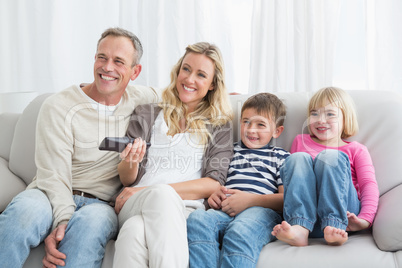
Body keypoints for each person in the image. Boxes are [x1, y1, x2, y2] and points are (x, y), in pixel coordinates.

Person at [0, 27, 159, 267]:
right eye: (102, 57)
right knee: (21, 217)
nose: (107, 67)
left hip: (101, 205)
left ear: (135, 72)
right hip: (47, 193)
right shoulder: (59, 106)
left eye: (119, 62)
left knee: (90, 230)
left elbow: (180, 94)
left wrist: (221, 94)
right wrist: (61, 222)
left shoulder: (139, 98)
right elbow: (53, 175)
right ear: (94, 59)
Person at [111, 42, 233, 268]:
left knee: (133, 231)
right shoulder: (146, 113)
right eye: (186, 69)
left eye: (201, 75)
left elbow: (213, 183)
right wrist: (130, 162)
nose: (189, 79)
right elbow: (127, 180)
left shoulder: (219, 125)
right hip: (135, 202)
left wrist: (148, 190)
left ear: (212, 85)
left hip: (184, 209)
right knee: (160, 197)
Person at [186, 92, 289, 268]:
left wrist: (249, 201)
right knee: (197, 220)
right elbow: (215, 181)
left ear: (277, 131)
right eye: (246, 121)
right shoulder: (228, 151)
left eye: (260, 124)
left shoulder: (281, 157)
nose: (251, 129)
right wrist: (214, 197)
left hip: (260, 212)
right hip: (224, 211)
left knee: (239, 231)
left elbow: (286, 200)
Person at [271, 87, 379, 246]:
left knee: (330, 156)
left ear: (345, 118)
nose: (320, 120)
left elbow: (368, 185)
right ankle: (300, 229)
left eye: (330, 114)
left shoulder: (356, 149)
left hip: (345, 218)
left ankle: (333, 225)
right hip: (309, 220)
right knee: (297, 159)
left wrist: (364, 220)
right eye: (314, 113)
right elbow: (294, 183)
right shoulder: (300, 141)